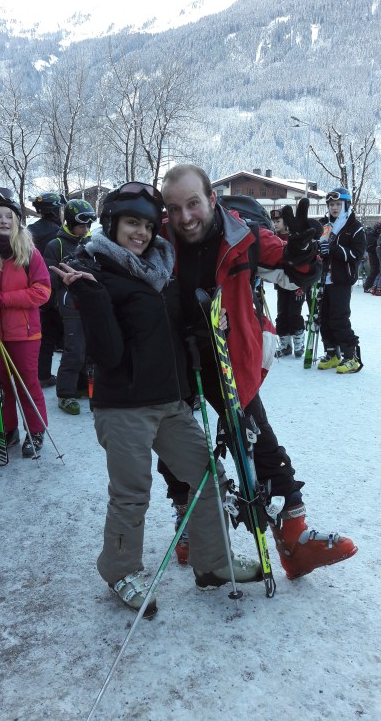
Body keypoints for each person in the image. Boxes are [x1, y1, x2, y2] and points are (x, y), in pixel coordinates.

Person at [51, 182, 262, 616]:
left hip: (169, 403)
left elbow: (175, 332)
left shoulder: (161, 271)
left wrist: (202, 323)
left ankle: (213, 562)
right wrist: (91, 296)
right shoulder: (97, 273)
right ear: (112, 224)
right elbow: (108, 354)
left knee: (208, 478)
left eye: (148, 226)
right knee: (131, 493)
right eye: (132, 223)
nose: (142, 233)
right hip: (123, 407)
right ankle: (120, 570)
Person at [159, 164, 358, 580]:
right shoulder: (158, 238)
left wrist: (303, 253)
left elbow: (294, 272)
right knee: (175, 445)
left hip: (230, 357)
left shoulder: (243, 235)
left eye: (193, 204)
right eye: (174, 208)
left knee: (258, 439)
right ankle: (188, 522)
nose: (185, 217)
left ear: (211, 199)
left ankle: (294, 537)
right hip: (173, 357)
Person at [0, 188, 51, 457]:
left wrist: (2, 299)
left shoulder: (30, 253)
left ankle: (35, 430)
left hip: (25, 333)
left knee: (27, 384)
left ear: (17, 220)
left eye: (9, 216)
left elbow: (42, 292)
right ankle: (7, 430)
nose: (4, 221)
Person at [44, 199, 96, 415]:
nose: (85, 229)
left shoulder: (92, 242)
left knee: (90, 349)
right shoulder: (56, 245)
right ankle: (65, 394)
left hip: (91, 303)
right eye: (81, 225)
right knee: (75, 348)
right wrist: (62, 279)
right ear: (70, 222)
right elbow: (46, 278)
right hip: (69, 303)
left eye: (88, 225)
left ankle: (81, 385)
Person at [317, 187, 366, 373]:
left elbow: (356, 254)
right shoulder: (325, 225)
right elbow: (318, 246)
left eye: (338, 204)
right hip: (324, 278)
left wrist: (333, 249)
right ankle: (332, 353)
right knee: (324, 318)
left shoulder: (355, 227)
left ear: (346, 205)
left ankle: (351, 356)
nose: (334, 208)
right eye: (331, 205)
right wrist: (319, 249)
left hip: (342, 280)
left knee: (339, 318)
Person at [28, 192, 67, 387]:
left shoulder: (30, 230)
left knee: (44, 337)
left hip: (34, 290)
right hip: (55, 291)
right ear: (54, 210)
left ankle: (41, 375)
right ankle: (73, 381)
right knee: (64, 337)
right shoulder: (58, 234)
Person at [270, 208, 306, 358]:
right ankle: (285, 344)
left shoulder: (295, 237)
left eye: (278, 221)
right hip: (281, 281)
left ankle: (299, 341)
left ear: (286, 222)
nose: (275, 224)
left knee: (294, 313)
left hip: (297, 282)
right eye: (273, 221)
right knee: (282, 313)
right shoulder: (273, 238)